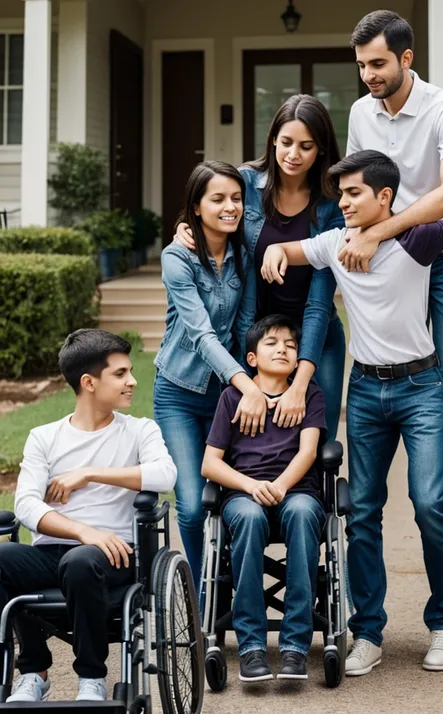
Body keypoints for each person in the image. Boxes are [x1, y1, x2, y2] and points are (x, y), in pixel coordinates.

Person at [261, 150, 443, 677]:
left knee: (430, 504)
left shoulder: (415, 240)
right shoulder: (336, 243)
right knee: (363, 512)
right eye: (341, 193)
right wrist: (272, 254)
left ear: (384, 197)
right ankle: (368, 632)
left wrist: (389, 229)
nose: (344, 202)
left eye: (354, 193)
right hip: (365, 393)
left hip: (422, 387)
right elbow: (285, 248)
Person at [2, 329, 176, 704]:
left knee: (81, 562)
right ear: (88, 382)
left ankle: (91, 679)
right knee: (3, 558)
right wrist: (83, 531)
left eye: (130, 371)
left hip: (114, 554)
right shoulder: (44, 437)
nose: (132, 381)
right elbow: (27, 506)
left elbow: (165, 475)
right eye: (120, 373)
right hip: (56, 552)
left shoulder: (139, 430)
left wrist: (90, 472)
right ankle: (33, 670)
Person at [343, 10, 443, 500]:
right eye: (361, 66)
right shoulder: (361, 113)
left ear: (406, 57)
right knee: (389, 356)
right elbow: (354, 186)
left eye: (377, 64)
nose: (368, 75)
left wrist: (384, 232)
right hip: (388, 259)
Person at [176, 94, 346, 440]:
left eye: (306, 146)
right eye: (286, 142)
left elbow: (318, 302)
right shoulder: (247, 185)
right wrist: (184, 229)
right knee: (252, 436)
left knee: (319, 443)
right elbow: (212, 214)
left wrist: (299, 384)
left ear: (322, 151)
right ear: (272, 140)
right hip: (255, 336)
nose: (293, 155)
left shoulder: (333, 203)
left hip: (316, 338)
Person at [153, 161, 269, 589]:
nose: (230, 207)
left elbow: (243, 325)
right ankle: (208, 597)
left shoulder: (244, 254)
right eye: (217, 199)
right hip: (179, 393)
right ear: (196, 208)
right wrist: (246, 383)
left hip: (226, 395)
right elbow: (201, 334)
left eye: (236, 198)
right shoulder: (176, 256)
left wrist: (249, 386)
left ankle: (238, 587)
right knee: (190, 505)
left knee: (233, 498)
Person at [202, 314, 326, 682]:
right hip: (244, 494)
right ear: (252, 358)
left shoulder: (310, 394)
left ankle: (294, 647)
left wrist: (282, 486)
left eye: (290, 345)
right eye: (272, 343)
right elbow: (211, 463)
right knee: (251, 518)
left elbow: (308, 452)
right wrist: (251, 486)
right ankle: (252, 646)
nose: (283, 349)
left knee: (304, 514)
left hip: (296, 491)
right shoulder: (232, 397)